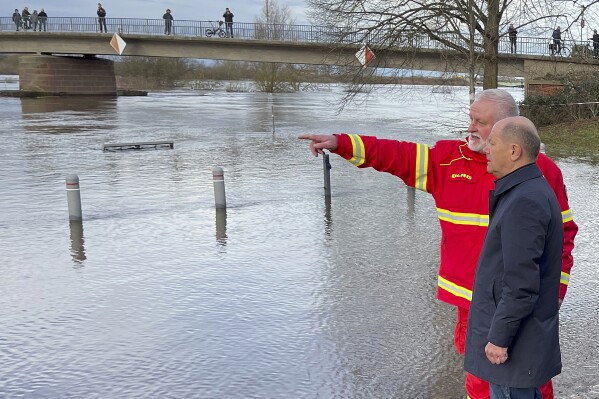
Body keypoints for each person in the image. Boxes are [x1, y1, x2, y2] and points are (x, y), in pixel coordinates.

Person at [298, 88, 577, 399]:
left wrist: (555, 294)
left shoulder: (541, 172)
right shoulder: (446, 160)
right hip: (473, 304)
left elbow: (563, 237)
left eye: (480, 122)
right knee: (481, 383)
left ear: (507, 127)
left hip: (524, 303)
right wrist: (341, 144)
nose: (470, 128)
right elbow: (394, 155)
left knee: (531, 379)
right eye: (470, 119)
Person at [464, 116, 563, 399]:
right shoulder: (524, 191)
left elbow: (520, 285)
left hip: (515, 347)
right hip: (521, 342)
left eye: (493, 143)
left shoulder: (525, 201)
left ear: (514, 151)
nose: (485, 149)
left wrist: (498, 338)